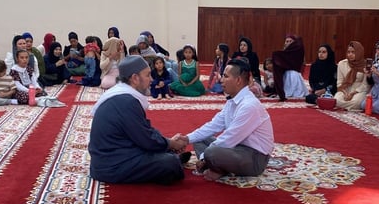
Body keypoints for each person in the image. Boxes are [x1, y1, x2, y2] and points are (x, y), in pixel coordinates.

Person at [88, 55, 187, 185]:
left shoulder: (121, 95)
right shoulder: (126, 101)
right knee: (170, 163)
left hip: (111, 158)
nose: (151, 79)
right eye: (147, 75)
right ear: (135, 78)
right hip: (111, 166)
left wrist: (167, 142)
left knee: (161, 149)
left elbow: (143, 131)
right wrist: (170, 144)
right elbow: (146, 139)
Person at [178, 58, 274, 181]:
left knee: (211, 152)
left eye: (225, 76)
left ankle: (219, 167)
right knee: (200, 140)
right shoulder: (232, 100)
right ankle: (218, 166)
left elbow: (229, 138)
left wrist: (203, 157)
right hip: (236, 148)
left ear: (238, 80)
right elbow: (213, 125)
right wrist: (186, 139)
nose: (221, 80)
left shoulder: (249, 106)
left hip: (254, 157)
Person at [335, 41, 369, 111]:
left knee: (356, 102)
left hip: (359, 90)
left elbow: (365, 85)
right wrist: (345, 93)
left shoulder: (365, 65)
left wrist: (353, 93)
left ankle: (347, 106)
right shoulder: (342, 63)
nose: (350, 54)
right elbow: (339, 82)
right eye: (348, 52)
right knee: (336, 100)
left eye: (353, 52)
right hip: (345, 89)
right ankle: (350, 107)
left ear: (359, 52)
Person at [271, 34, 307, 101]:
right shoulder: (283, 53)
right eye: (286, 41)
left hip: (294, 75)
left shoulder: (298, 52)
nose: (288, 43)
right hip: (285, 75)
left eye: (290, 41)